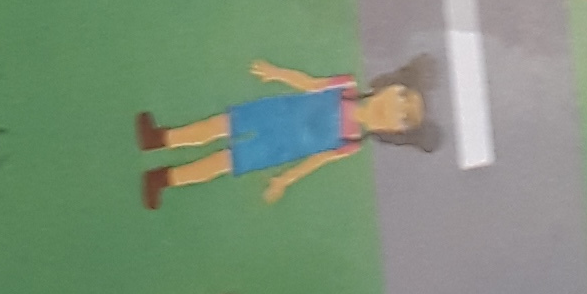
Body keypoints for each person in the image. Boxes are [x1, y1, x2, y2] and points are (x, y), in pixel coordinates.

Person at [138, 56, 443, 204]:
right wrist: (277, 73)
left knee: (220, 163)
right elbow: (310, 84)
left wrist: (284, 180)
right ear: (390, 86)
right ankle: (160, 138)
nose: (394, 108)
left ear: (395, 131)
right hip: (272, 114)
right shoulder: (346, 86)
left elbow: (316, 160)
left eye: (403, 118)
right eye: (401, 96)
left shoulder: (350, 142)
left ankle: (164, 179)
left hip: (277, 149)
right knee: (215, 127)